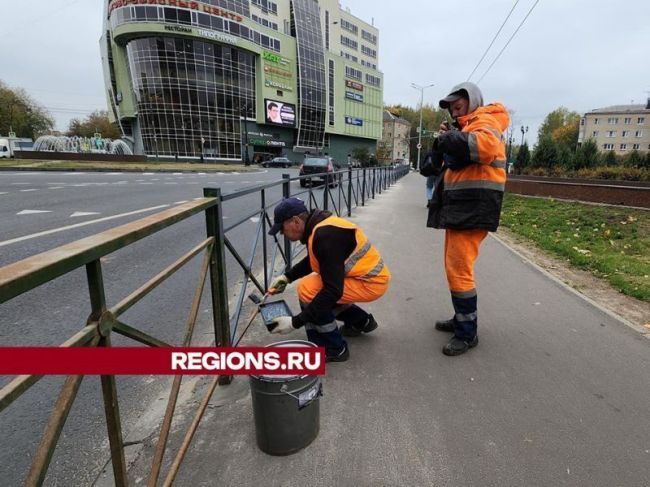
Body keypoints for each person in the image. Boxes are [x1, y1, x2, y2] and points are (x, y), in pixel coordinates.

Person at [427, 82, 509, 356]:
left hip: (475, 205)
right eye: (450, 105)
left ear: (472, 99)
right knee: (454, 266)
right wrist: (445, 142)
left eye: (457, 102)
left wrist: (449, 138)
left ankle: (467, 333)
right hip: (463, 206)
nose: (452, 108)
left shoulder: (484, 120)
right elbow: (434, 166)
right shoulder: (466, 126)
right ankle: (461, 319)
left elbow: (484, 148)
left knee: (460, 269)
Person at [266, 197, 391, 362]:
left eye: (282, 228)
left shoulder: (325, 237)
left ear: (295, 221)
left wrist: (295, 322)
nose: (282, 233)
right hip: (369, 278)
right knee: (316, 289)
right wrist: (287, 277)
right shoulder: (321, 225)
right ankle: (361, 321)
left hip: (370, 283)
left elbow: (332, 291)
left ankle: (333, 348)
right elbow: (316, 260)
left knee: (309, 290)